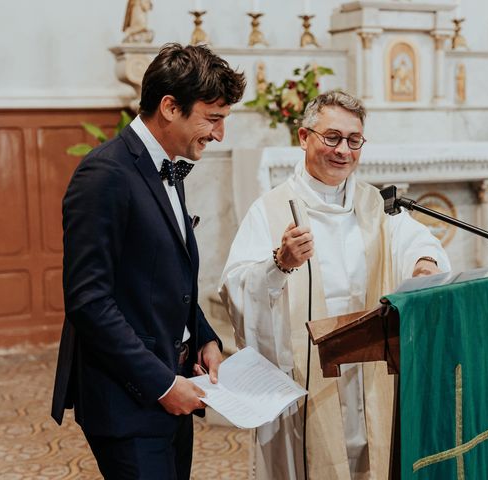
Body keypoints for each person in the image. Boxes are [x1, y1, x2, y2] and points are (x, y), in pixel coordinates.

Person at [219, 90, 450, 480]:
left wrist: (424, 263)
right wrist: (280, 263)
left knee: (371, 460)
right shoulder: (271, 209)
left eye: (353, 140)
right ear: (304, 136)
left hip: (369, 371)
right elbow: (236, 287)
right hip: (305, 379)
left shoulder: (374, 203)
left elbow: (414, 239)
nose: (343, 150)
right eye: (332, 137)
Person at [51, 43, 246, 479]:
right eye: (212, 119)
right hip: (130, 398)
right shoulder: (104, 175)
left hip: (175, 385)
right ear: (170, 107)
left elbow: (165, 277)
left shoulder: (167, 167)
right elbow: (89, 302)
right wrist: (161, 384)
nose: (219, 134)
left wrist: (204, 338)